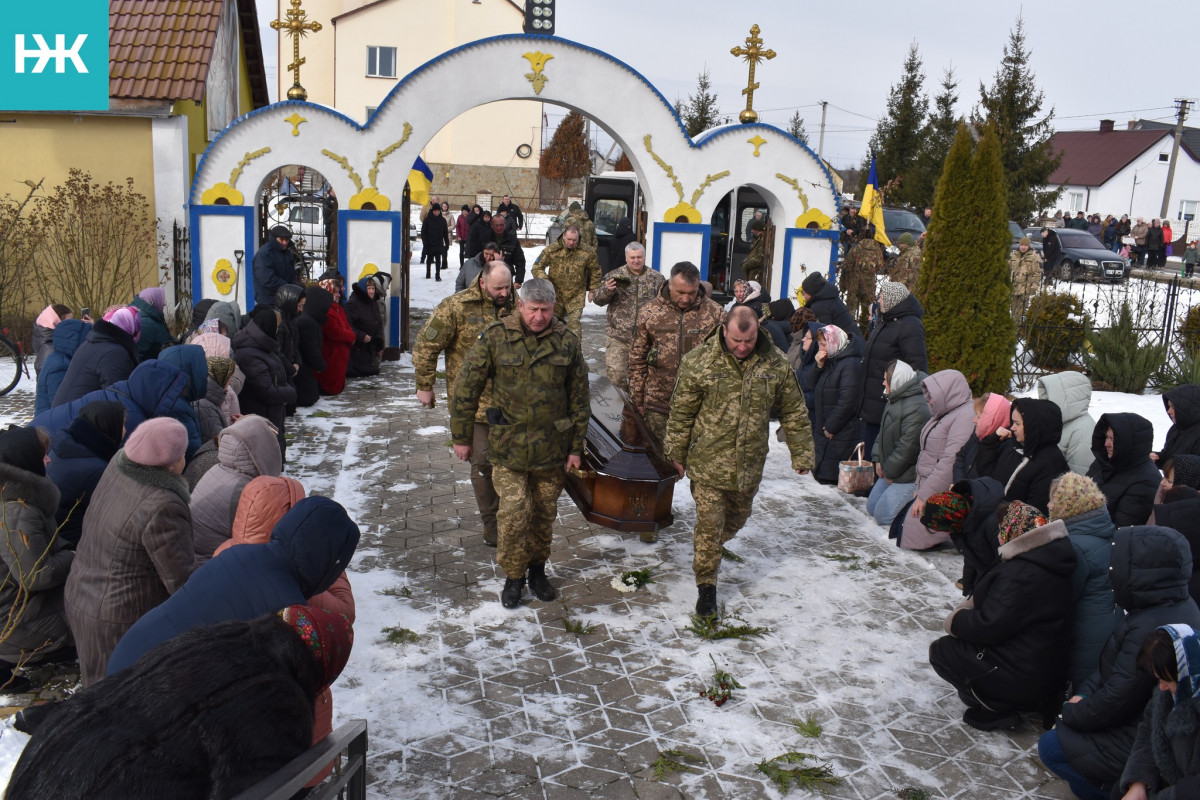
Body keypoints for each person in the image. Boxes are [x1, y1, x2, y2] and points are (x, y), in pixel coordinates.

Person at [7, 606, 352, 800]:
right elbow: (254, 792)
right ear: (325, 668)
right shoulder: (282, 706)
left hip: (47, 760)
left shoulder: (221, 635)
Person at [449, 279, 590, 609]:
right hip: (508, 448)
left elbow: (580, 398)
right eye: (533, 309)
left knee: (542, 516)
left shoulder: (567, 342)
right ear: (520, 305)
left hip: (551, 450)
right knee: (513, 515)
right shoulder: (496, 337)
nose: (539, 317)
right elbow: (466, 387)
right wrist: (461, 436)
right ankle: (514, 578)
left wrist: (575, 448)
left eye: (546, 310)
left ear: (554, 308)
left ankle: (538, 572)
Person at [664, 305, 813, 616]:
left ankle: (709, 550)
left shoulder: (774, 362)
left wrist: (801, 452)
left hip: (749, 463)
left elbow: (794, 410)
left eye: (749, 341)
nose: (743, 347)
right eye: (736, 341)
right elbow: (681, 414)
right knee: (709, 524)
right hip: (708, 462)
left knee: (736, 520)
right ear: (724, 330)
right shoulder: (700, 361)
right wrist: (675, 456)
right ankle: (707, 587)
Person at [107, 495, 358, 676]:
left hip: (128, 655)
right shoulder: (289, 615)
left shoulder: (238, 553)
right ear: (329, 565)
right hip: (152, 691)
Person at [1040, 526, 1200, 800]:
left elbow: (1117, 700)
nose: (1112, 569)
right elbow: (1110, 671)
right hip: (1141, 726)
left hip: (1133, 729)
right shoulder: (1167, 604)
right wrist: (1083, 694)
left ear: (1141, 570)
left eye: (1119, 563)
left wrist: (1070, 713)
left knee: (1051, 747)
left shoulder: (1149, 626)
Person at [64, 417, 195, 686]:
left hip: (83, 592)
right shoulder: (162, 504)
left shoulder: (118, 465)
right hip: (117, 615)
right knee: (114, 694)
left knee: (98, 685)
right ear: (171, 463)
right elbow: (181, 580)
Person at [929, 501, 1076, 731]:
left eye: (1001, 529)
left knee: (943, 651)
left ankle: (997, 706)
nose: (998, 535)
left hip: (1022, 674)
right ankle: (1010, 698)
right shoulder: (1050, 557)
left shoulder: (1022, 572)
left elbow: (988, 626)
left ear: (1013, 530)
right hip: (1043, 669)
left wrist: (955, 620)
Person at [415, 260, 515, 547]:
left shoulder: (518, 304)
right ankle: (491, 522)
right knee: (483, 462)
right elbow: (426, 344)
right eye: (499, 288)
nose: (504, 293)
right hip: (475, 405)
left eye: (508, 287)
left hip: (514, 402)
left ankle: (514, 518)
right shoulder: (456, 307)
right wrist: (425, 384)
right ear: (482, 282)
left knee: (512, 464)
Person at [0, 427, 76, 688]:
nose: (49, 460)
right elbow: (35, 576)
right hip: (12, 622)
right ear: (26, 461)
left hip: (13, 607)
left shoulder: (14, 496)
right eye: (43, 455)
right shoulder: (19, 510)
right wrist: (74, 556)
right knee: (94, 609)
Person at [628, 261, 724, 442]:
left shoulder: (715, 313)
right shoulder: (649, 312)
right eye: (680, 292)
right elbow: (637, 358)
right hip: (658, 403)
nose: (686, 299)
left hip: (700, 405)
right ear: (669, 285)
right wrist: (638, 399)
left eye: (692, 293)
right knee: (660, 462)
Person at [1047, 472, 1121, 692]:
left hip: (1085, 632)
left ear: (1067, 506)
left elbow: (1063, 597)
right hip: (1107, 626)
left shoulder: (1073, 546)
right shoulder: (1104, 531)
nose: (1048, 504)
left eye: (1053, 499)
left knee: (1080, 691)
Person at [1117, 624, 1200, 799]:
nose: (1161, 687)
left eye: (1166, 680)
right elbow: (1148, 733)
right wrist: (1138, 782)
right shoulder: (1170, 693)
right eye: (1159, 679)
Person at [189, 414, 284, 561]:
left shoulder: (219, 469)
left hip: (198, 555)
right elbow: (260, 541)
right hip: (213, 563)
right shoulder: (246, 488)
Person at [899, 369, 975, 550]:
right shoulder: (945, 412)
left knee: (911, 535)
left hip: (938, 490)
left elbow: (950, 462)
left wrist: (925, 495)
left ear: (948, 393)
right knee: (901, 526)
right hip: (925, 484)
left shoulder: (964, 416)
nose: (930, 401)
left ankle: (949, 536)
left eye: (933, 396)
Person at [857, 279, 928, 460]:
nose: (878, 301)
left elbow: (916, 367)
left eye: (881, 297)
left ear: (892, 299)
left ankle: (872, 485)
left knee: (880, 453)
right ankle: (868, 485)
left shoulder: (910, 325)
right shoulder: (886, 321)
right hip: (873, 399)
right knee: (870, 450)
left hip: (889, 401)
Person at [45, 399, 125, 547]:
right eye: (123, 424)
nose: (125, 430)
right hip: (74, 544)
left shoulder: (64, 444)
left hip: (53, 532)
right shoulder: (96, 470)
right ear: (109, 426)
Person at [591, 242, 666, 390]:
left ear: (644, 257)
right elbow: (597, 299)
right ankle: (616, 412)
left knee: (642, 380)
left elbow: (665, 304)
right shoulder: (614, 276)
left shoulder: (656, 278)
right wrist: (607, 290)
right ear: (626, 257)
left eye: (639, 257)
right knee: (616, 378)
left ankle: (637, 410)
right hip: (619, 337)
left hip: (646, 339)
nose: (636, 260)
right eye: (632, 257)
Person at [866, 359, 931, 527]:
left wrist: (888, 471)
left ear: (896, 381)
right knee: (871, 507)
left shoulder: (918, 409)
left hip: (909, 474)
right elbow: (883, 431)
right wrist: (878, 459)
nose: (882, 382)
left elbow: (907, 449)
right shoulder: (895, 396)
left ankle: (915, 515)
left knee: (883, 516)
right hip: (893, 469)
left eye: (885, 379)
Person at [988, 398, 1070, 513]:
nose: (1012, 428)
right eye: (1013, 422)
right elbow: (987, 472)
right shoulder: (1016, 447)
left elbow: (1034, 514)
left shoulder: (1050, 464)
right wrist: (991, 442)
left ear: (1033, 427)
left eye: (1017, 423)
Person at [233, 308, 294, 455]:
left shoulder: (262, 347)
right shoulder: (251, 354)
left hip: (271, 414)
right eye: (276, 327)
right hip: (262, 415)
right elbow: (267, 391)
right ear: (268, 328)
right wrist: (290, 393)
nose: (278, 331)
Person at [807, 325, 863, 485]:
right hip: (824, 431)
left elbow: (848, 400)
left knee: (830, 481)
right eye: (819, 344)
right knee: (821, 479)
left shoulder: (850, 364)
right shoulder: (830, 360)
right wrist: (818, 366)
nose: (820, 348)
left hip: (839, 432)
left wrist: (831, 426)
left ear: (834, 342)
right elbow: (809, 384)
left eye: (824, 344)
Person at [52, 306, 139, 407]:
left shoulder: (96, 342)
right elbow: (118, 400)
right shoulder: (114, 353)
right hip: (77, 416)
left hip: (70, 412)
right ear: (131, 326)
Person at [1087, 413, 1161, 526]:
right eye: (1106, 437)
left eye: (1112, 439)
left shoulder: (1145, 481)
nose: (1106, 444)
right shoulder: (1103, 462)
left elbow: (1122, 529)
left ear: (1129, 442)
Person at [532, 225, 602, 336]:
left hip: (576, 295)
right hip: (555, 294)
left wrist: (593, 289)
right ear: (563, 236)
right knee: (553, 324)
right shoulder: (551, 250)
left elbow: (595, 270)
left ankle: (575, 351)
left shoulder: (587, 252)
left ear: (579, 239)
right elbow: (537, 267)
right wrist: (546, 282)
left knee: (574, 326)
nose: (571, 242)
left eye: (574, 240)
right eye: (569, 239)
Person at [1038, 371, 1097, 476]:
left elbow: (1079, 480)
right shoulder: (1060, 422)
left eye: (1051, 395)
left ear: (1065, 398)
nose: (1046, 401)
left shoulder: (1083, 432)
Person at [35, 317, 90, 415]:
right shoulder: (61, 366)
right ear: (77, 341)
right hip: (49, 425)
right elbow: (59, 404)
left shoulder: (57, 356)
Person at [953, 393, 1012, 483]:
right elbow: (961, 457)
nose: (974, 420)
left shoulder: (1005, 446)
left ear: (992, 420)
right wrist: (959, 484)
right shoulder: (978, 434)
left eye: (979, 417)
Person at [314, 272, 355, 396]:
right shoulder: (326, 311)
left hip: (339, 357)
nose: (339, 295)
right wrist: (351, 336)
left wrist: (350, 335)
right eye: (335, 292)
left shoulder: (337, 308)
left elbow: (346, 325)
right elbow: (335, 332)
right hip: (331, 356)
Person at [799, 271, 863, 346]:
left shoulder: (819, 307)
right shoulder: (830, 298)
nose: (803, 296)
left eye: (804, 293)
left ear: (811, 293)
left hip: (849, 347)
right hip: (855, 342)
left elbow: (824, 337)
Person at [840, 225, 884, 330]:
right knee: (867, 310)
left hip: (854, 283)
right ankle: (865, 330)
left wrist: (843, 285)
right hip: (869, 285)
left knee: (851, 309)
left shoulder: (857, 248)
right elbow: (880, 265)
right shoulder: (877, 249)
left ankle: (849, 331)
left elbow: (847, 265)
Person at [295, 285, 330, 407]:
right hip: (303, 367)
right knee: (309, 397)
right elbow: (310, 349)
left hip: (306, 367)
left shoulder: (309, 319)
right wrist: (321, 364)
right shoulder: (307, 322)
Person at [466, 214, 526, 284]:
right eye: (496, 225)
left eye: (501, 225)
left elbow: (520, 261)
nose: (499, 227)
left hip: (506, 277)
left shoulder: (512, 240)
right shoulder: (484, 238)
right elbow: (475, 258)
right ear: (492, 225)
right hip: (486, 276)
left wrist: (518, 280)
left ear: (505, 224)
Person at [345, 275, 385, 378]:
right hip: (358, 350)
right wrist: (360, 336)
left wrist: (379, 342)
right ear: (363, 289)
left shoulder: (373, 302)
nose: (372, 291)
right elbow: (347, 325)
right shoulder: (353, 304)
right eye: (369, 289)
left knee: (374, 370)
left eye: (373, 288)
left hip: (370, 349)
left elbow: (379, 323)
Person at [252, 225, 297, 308]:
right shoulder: (265, 253)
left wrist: (295, 288)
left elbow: (291, 273)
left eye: (287, 240)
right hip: (268, 300)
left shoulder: (287, 252)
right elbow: (266, 278)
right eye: (281, 240)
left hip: (284, 297)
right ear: (274, 238)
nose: (284, 242)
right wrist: (288, 288)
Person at [274, 283, 305, 403]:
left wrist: (297, 362)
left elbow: (295, 344)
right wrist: (291, 369)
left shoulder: (290, 321)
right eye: (299, 306)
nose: (301, 309)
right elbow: (277, 351)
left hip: (288, 367)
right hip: (283, 370)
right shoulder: (279, 323)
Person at [1156, 384, 1200, 464]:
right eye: (1169, 406)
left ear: (1187, 408)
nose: (1168, 411)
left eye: (1173, 407)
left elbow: (1194, 470)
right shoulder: (1177, 428)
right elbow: (1168, 457)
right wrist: (1156, 458)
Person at [132, 287, 173, 362]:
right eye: (161, 300)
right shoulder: (146, 324)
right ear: (152, 301)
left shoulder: (152, 317)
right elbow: (137, 356)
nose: (164, 304)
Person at [31, 303, 73, 375]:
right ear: (56, 322)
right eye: (68, 322)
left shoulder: (54, 340)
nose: (72, 324)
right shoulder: (50, 348)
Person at [1010, 237, 1043, 320]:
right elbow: (1008, 270)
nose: (1023, 247)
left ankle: (1018, 329)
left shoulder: (1034, 257)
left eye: (1025, 245)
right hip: (1013, 288)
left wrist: (1034, 286)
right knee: (1013, 310)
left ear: (1028, 246)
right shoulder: (1013, 255)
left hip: (1025, 289)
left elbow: (1037, 273)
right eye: (1021, 245)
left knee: (1021, 312)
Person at [421, 203, 450, 280]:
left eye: (438, 211)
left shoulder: (442, 220)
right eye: (435, 211)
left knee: (438, 259)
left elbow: (445, 233)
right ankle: (428, 273)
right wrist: (425, 243)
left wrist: (447, 244)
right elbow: (423, 232)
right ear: (432, 211)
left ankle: (438, 275)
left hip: (439, 243)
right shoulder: (427, 220)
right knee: (429, 259)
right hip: (429, 243)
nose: (436, 212)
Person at [741, 217, 768, 285]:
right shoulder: (757, 239)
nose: (751, 231)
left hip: (757, 273)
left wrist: (746, 265)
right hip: (753, 272)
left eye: (753, 229)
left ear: (757, 230)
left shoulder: (762, 241)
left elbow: (759, 258)